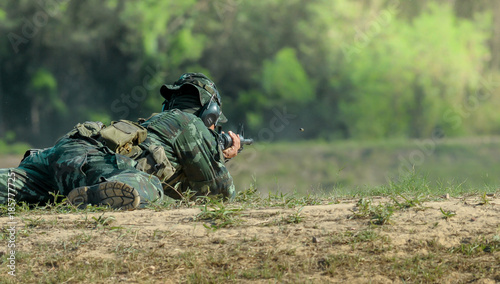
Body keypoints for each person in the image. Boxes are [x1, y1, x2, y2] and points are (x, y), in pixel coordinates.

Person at [0, 72, 240, 210]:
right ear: (211, 113)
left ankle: (90, 191)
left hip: (64, 151)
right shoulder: (191, 124)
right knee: (147, 187)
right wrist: (221, 157)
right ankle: (97, 196)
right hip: (94, 162)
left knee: (12, 186)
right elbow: (218, 194)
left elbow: (185, 189)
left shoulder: (155, 125)